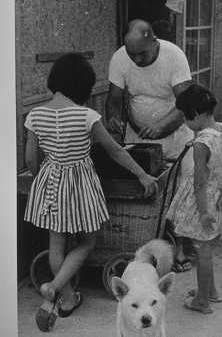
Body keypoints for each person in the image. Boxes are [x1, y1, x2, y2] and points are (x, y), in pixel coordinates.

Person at [25, 54, 158, 332]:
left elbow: (30, 160)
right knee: (87, 241)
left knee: (57, 242)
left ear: (55, 81)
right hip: (80, 184)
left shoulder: (35, 115)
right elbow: (115, 151)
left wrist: (43, 178)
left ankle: (68, 299)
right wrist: (142, 174)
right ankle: (56, 287)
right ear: (82, 85)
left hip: (50, 182)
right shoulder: (87, 115)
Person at [106, 19, 196, 272]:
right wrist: (114, 119)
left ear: (153, 40)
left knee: (178, 192)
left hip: (175, 136)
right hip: (139, 137)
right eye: (131, 54)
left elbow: (186, 103)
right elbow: (114, 99)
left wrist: (161, 127)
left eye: (142, 54)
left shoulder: (174, 56)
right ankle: (145, 250)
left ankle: (178, 248)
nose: (136, 60)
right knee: (145, 191)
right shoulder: (120, 58)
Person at [165, 84, 222, 314]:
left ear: (195, 115)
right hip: (218, 198)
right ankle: (210, 292)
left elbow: (199, 182)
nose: (186, 122)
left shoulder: (201, 144)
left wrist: (203, 212)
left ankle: (202, 301)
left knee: (202, 252)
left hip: (202, 201)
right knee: (206, 248)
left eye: (186, 118)